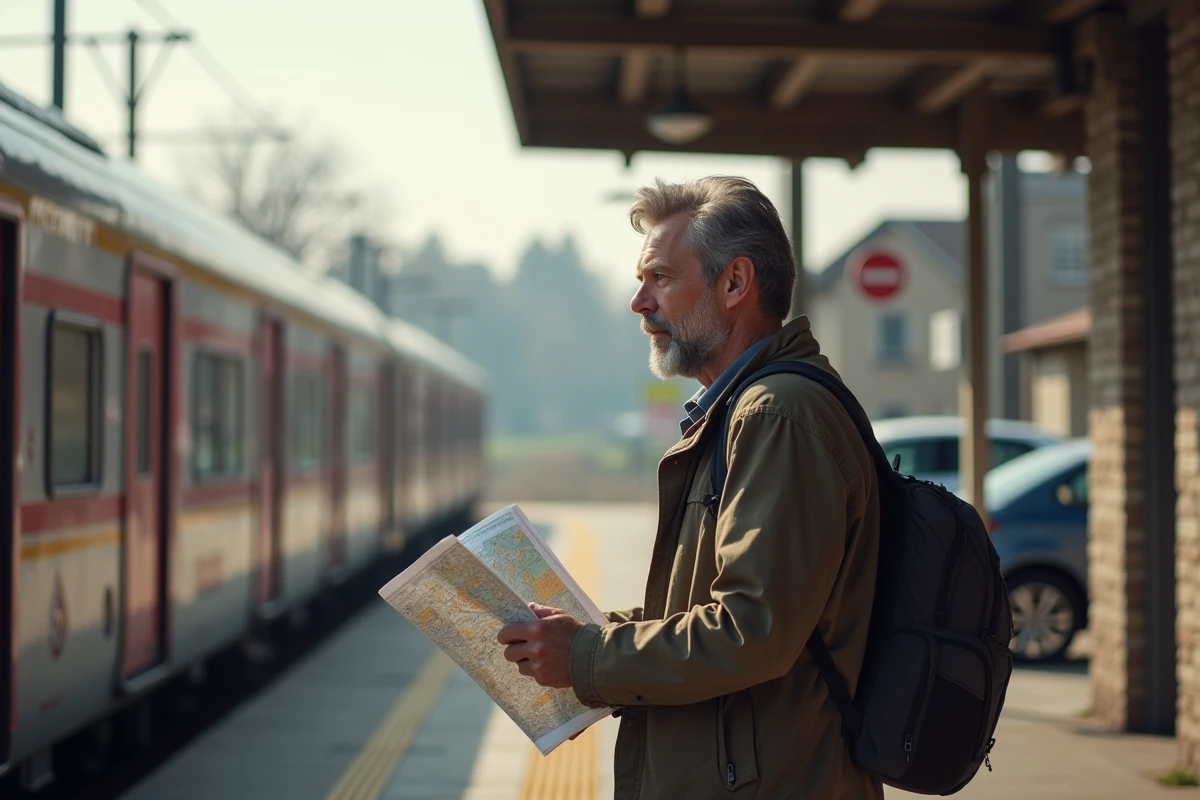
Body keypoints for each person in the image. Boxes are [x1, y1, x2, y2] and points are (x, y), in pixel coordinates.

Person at [497, 176, 883, 799]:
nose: (638, 301)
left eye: (661, 277)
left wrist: (588, 656)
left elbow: (751, 630)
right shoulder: (744, 411)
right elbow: (717, 609)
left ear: (734, 283)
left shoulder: (775, 416)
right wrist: (581, 639)